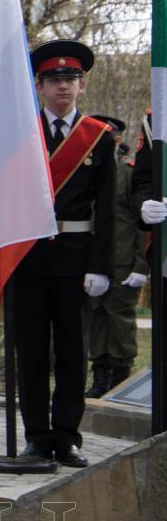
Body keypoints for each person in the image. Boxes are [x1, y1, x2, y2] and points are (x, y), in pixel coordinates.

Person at [12, 40, 113, 468]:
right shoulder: (21, 134)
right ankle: (37, 437)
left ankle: (68, 437)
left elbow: (107, 209)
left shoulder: (99, 138)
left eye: (70, 78)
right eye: (53, 79)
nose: (62, 87)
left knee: (72, 353)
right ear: (39, 86)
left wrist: (101, 267)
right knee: (32, 352)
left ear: (82, 85)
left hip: (76, 261)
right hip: (29, 259)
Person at [87, 116, 146, 398]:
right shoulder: (87, 172)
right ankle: (100, 377)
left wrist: (141, 266)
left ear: (117, 140)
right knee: (96, 316)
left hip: (122, 261)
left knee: (119, 318)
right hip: (92, 261)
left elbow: (141, 224)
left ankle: (121, 380)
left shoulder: (129, 174)